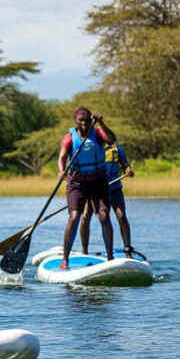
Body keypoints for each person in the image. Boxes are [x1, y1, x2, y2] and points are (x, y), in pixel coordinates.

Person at [57, 107, 116, 270]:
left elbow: (111, 140)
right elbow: (62, 157)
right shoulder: (69, 138)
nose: (84, 123)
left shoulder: (97, 134)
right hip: (77, 183)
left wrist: (101, 123)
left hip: (98, 181)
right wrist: (62, 171)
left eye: (87, 120)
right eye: (81, 120)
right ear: (75, 121)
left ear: (91, 120)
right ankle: (65, 259)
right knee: (74, 217)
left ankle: (110, 257)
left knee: (104, 216)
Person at [80, 142, 136, 257]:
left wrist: (128, 170)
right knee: (86, 216)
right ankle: (84, 251)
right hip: (94, 190)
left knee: (121, 216)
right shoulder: (90, 149)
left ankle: (127, 250)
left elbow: (126, 165)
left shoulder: (117, 149)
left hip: (115, 189)